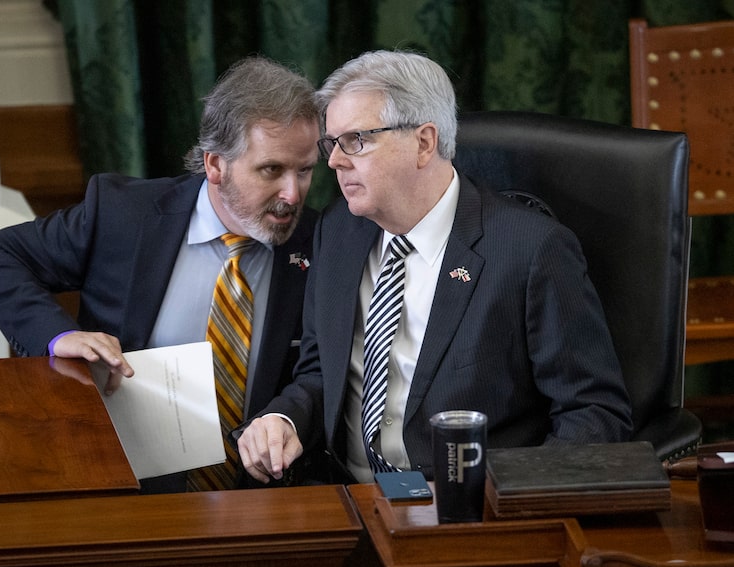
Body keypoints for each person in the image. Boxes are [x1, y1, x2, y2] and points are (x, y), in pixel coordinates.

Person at [236, 49, 634, 486]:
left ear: (424, 143)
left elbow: (594, 414)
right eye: (332, 144)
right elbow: (319, 373)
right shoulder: (338, 231)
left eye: (357, 141)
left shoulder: (532, 251)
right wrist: (284, 419)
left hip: (466, 506)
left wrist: (507, 501)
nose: (334, 162)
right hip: (343, 499)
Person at [0, 56, 321, 493]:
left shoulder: (319, 245)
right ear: (215, 164)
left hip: (257, 502)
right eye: (272, 170)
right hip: (118, 488)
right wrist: (60, 337)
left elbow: (320, 372)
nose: (292, 193)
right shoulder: (125, 215)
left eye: (304, 171)